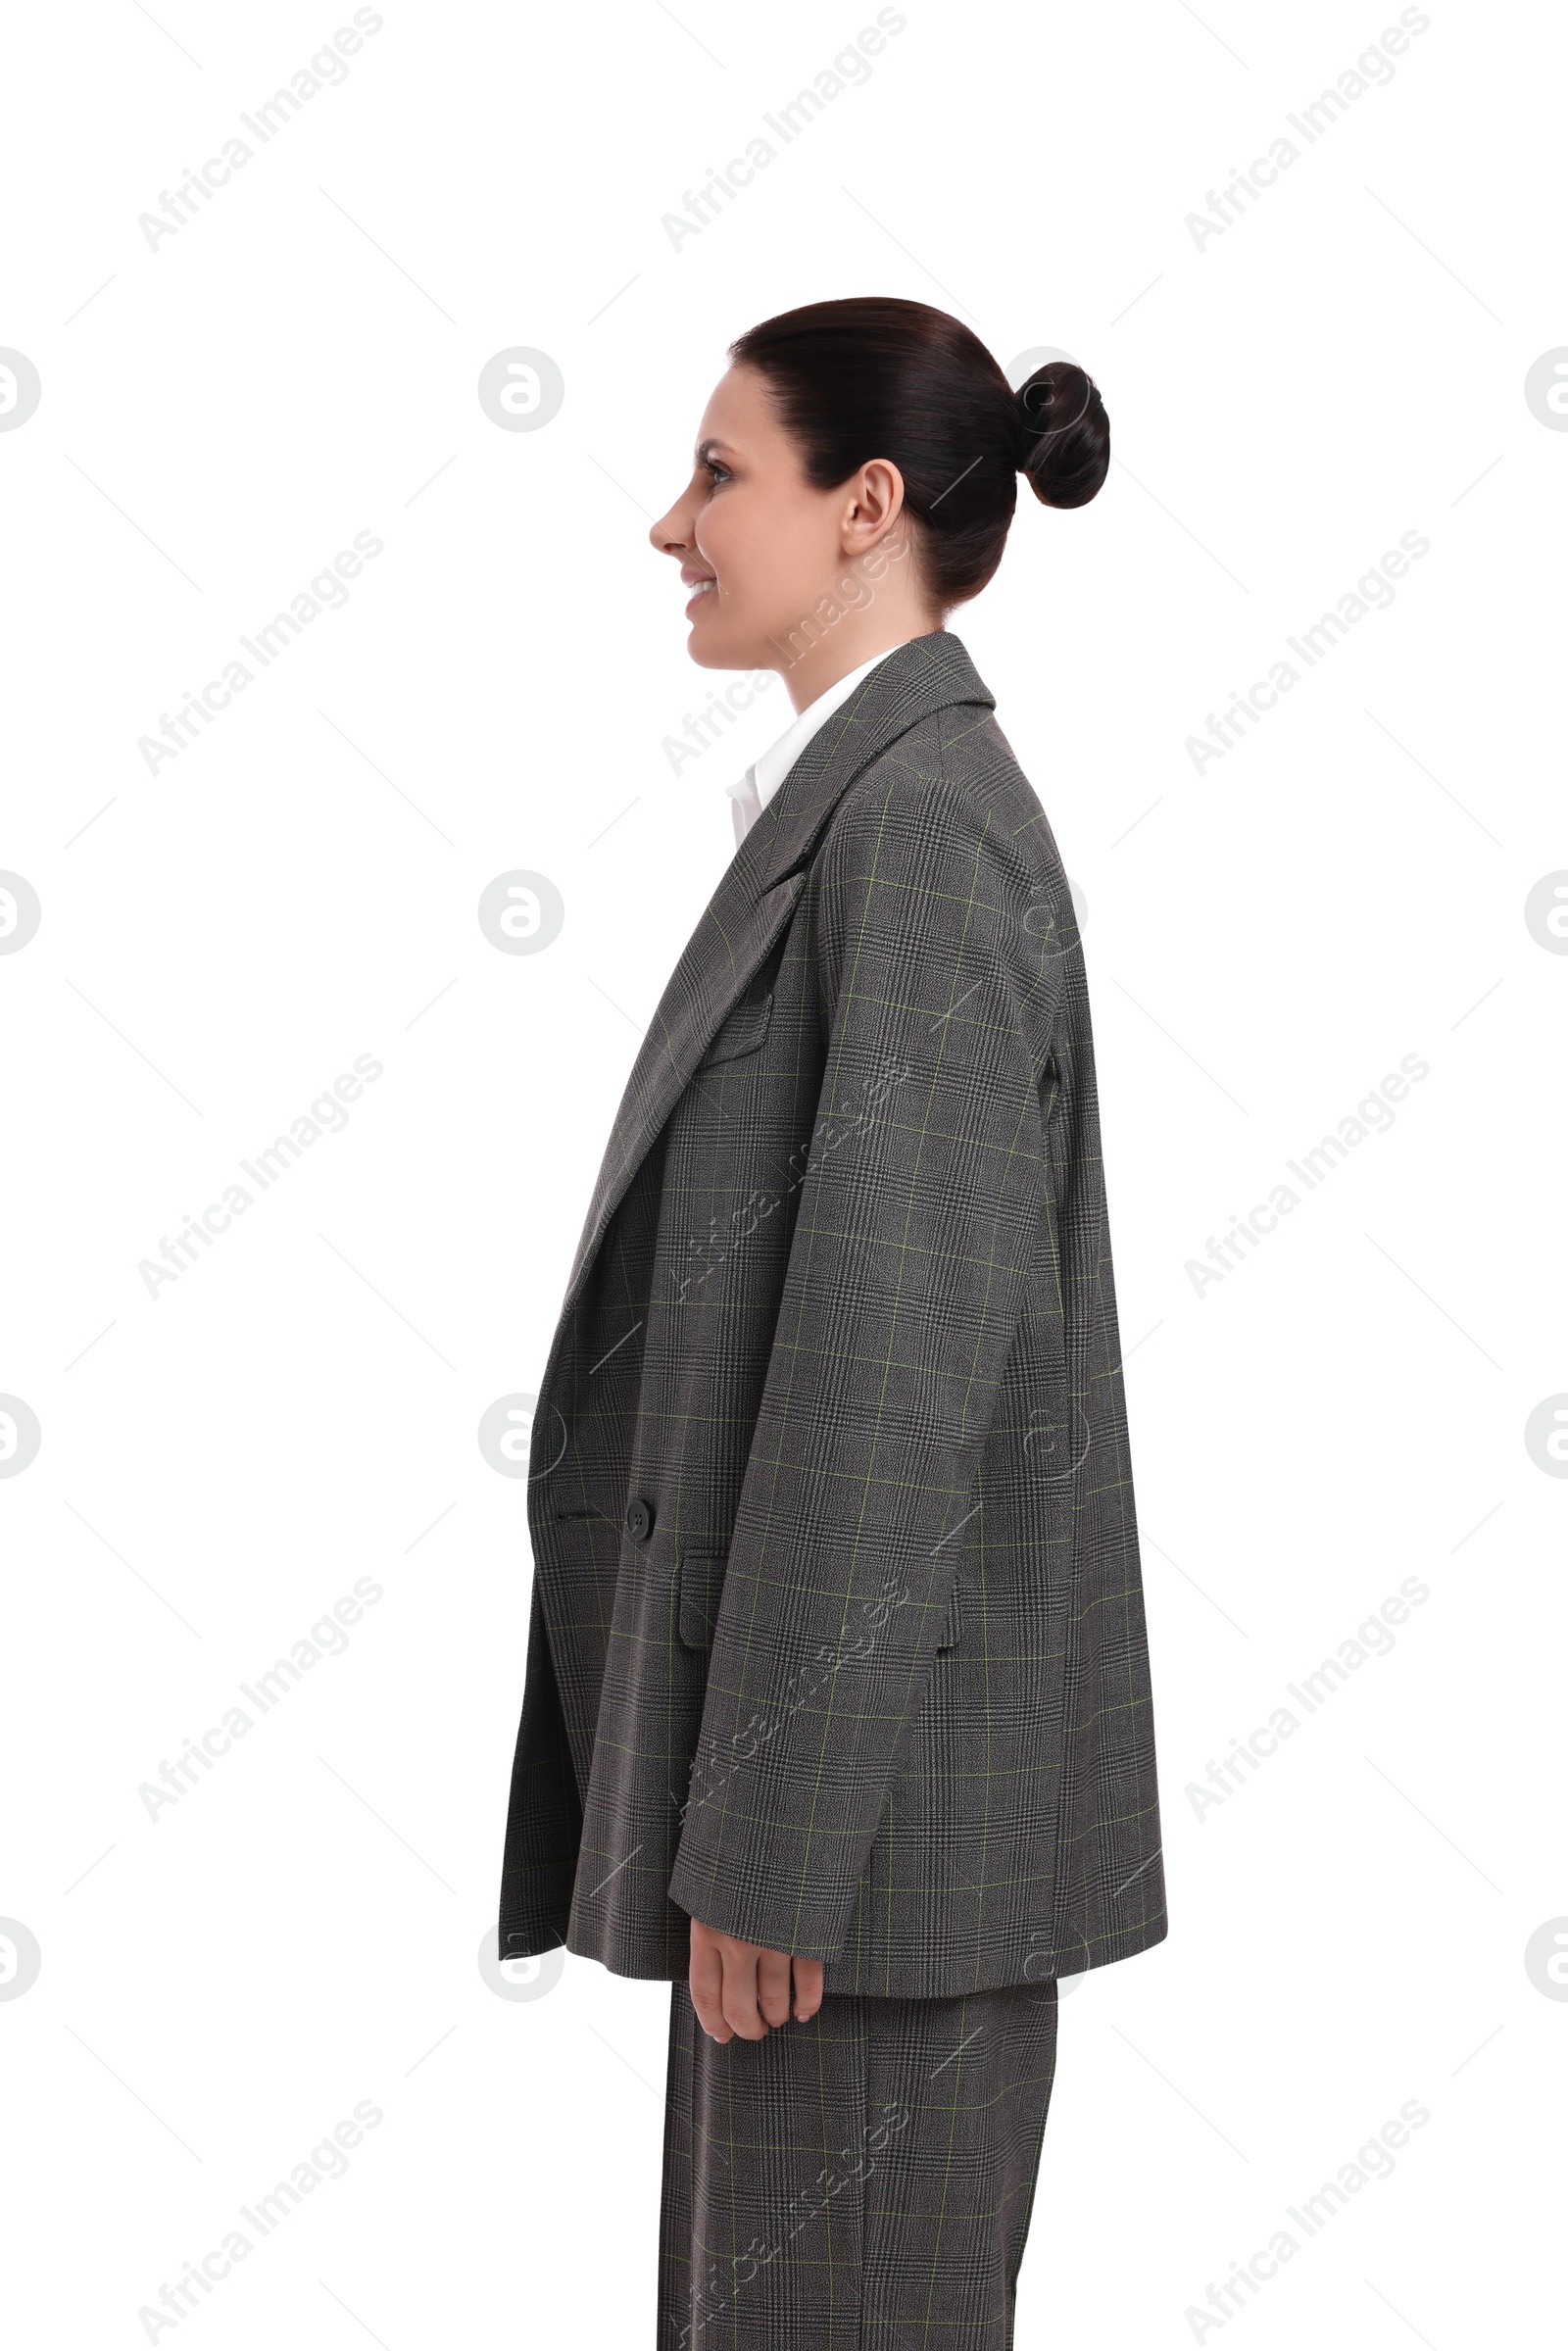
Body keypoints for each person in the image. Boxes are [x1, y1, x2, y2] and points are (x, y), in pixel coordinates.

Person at [499, 295, 1167, 2348]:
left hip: (852, 1874)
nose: (667, 524)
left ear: (863, 504)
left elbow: (889, 1389)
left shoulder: (923, 835)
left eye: (718, 473)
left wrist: (771, 1847)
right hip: (826, 1856)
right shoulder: (862, 816)